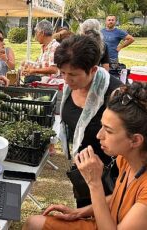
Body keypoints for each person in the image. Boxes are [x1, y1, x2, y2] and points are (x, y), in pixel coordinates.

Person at [23, 82, 147, 230]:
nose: (99, 135)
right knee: (34, 223)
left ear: (135, 140)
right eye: (102, 126)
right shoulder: (126, 157)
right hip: (107, 221)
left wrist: (94, 184)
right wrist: (79, 212)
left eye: (108, 130)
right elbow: (118, 197)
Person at [56, 35, 122, 208]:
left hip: (110, 177)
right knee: (83, 209)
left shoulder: (116, 94)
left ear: (93, 70)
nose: (66, 79)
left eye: (72, 74)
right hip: (83, 171)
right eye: (62, 72)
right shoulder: (69, 88)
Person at [22, 20, 60, 84]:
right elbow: (43, 66)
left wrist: (33, 71)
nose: (35, 36)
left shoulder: (54, 47)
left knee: (28, 80)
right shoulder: (45, 47)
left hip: (52, 85)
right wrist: (29, 67)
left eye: (36, 33)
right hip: (44, 83)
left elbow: (54, 69)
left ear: (42, 33)